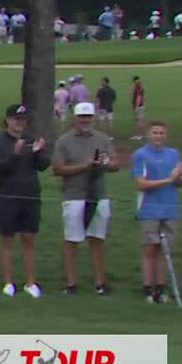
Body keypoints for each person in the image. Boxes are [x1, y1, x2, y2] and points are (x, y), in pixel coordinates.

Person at [52, 102, 119, 295]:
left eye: (88, 117)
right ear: (75, 118)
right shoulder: (64, 141)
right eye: (82, 117)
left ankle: (100, 282)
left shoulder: (102, 139)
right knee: (72, 240)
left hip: (99, 195)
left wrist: (104, 164)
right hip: (74, 196)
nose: (85, 120)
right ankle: (72, 283)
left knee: (97, 238)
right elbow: (58, 169)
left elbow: (115, 164)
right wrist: (84, 166)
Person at [0, 104, 49, 298]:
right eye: (16, 119)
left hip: (30, 194)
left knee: (29, 238)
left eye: (22, 120)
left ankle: (31, 282)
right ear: (7, 120)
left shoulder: (30, 140)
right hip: (6, 196)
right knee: (8, 239)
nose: (19, 124)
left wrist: (39, 152)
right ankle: (8, 282)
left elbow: (43, 166)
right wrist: (14, 154)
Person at [132, 121, 182, 304]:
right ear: (148, 135)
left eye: (162, 133)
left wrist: (177, 178)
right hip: (150, 208)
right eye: (155, 132)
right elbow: (141, 184)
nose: (158, 136)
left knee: (165, 250)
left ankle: (161, 288)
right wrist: (168, 180)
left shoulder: (174, 154)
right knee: (150, 249)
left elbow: (179, 183)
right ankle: (148, 287)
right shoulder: (141, 155)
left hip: (170, 207)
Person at [130, 75, 147, 140]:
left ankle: (139, 135)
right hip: (141, 106)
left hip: (139, 106)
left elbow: (139, 97)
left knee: (139, 121)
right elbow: (143, 97)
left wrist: (136, 107)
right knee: (140, 121)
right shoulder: (140, 87)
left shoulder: (138, 87)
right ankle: (141, 135)